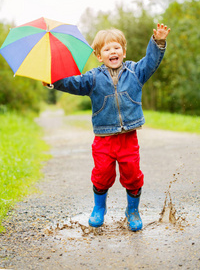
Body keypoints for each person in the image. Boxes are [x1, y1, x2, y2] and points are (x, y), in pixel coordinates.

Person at [43, 23, 170, 231]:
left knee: (133, 174)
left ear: (124, 51)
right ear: (99, 56)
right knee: (102, 174)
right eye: (107, 49)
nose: (113, 51)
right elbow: (73, 83)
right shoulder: (93, 78)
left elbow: (151, 62)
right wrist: (54, 81)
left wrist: (158, 42)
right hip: (104, 138)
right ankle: (99, 208)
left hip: (128, 137)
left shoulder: (136, 72)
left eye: (117, 47)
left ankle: (133, 211)